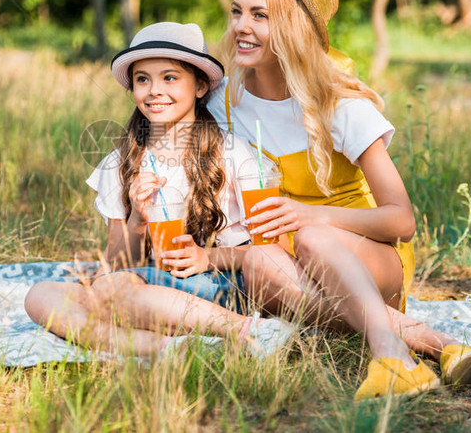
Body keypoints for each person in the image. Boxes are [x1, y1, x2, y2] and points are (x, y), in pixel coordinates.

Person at [208, 0, 471, 400]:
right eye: (237, 11)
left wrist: (311, 216)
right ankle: (439, 347)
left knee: (313, 239)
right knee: (256, 262)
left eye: (260, 15)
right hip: (288, 267)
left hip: (371, 257)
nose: (241, 27)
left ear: (293, 28)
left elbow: (401, 220)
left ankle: (392, 355)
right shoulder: (224, 102)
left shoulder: (340, 106)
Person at [24, 22, 293, 358]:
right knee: (41, 294)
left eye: (169, 77)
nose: (154, 90)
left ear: (198, 86)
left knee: (110, 290)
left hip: (224, 284)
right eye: (142, 79)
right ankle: (171, 349)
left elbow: (273, 252)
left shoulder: (234, 154)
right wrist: (136, 218)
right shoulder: (120, 163)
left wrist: (205, 257)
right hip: (152, 287)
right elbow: (118, 263)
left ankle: (247, 329)